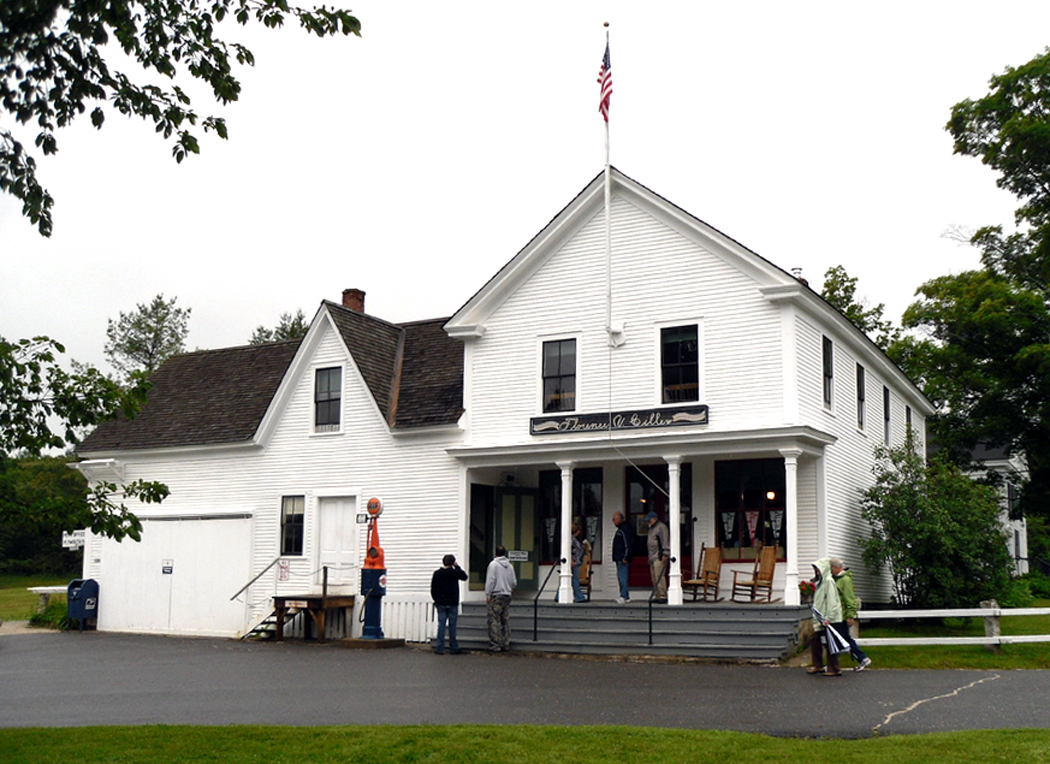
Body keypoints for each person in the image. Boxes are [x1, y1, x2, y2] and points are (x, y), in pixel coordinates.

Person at [830, 557, 872, 671]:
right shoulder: (837, 579)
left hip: (842, 615)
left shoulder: (845, 580)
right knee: (839, 639)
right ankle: (833, 664)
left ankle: (862, 658)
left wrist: (850, 615)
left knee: (844, 639)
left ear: (836, 567)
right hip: (838, 614)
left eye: (832, 568)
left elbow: (849, 598)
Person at [807, 557, 844, 677]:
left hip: (828, 618)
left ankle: (834, 668)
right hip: (820, 618)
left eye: (818, 569)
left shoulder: (828, 581)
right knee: (815, 639)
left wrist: (829, 617)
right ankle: (818, 665)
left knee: (831, 643)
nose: (817, 571)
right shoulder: (821, 582)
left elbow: (832, 601)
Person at [430, 553, 468, 655]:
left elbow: (433, 588)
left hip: (440, 602)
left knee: (441, 625)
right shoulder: (454, 573)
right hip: (452, 602)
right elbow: (464, 577)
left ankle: (439, 647)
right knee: (452, 626)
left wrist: (436, 599)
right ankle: (453, 647)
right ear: (452, 562)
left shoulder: (437, 573)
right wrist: (457, 566)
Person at [485, 545, 517, 652]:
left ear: (495, 553)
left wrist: (488, 594)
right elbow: (514, 582)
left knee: (494, 619)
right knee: (505, 619)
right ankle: (506, 642)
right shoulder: (510, 566)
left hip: (496, 595)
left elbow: (490, 581)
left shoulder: (493, 565)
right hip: (507, 595)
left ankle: (495, 644)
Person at [646, 511, 669, 602]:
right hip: (652, 556)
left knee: (659, 576)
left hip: (659, 555)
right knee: (654, 577)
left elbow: (665, 541)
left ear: (655, 519)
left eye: (650, 520)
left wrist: (665, 553)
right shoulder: (651, 529)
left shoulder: (661, 527)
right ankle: (657, 595)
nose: (648, 522)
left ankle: (663, 595)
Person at [612, 511, 634, 603]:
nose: (613, 521)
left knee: (622, 577)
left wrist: (626, 556)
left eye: (614, 519)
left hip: (622, 558)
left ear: (619, 519)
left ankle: (624, 596)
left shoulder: (624, 530)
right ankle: (625, 595)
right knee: (621, 576)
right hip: (619, 557)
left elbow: (627, 544)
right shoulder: (621, 530)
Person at [570, 521, 587, 603]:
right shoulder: (571, 539)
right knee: (574, 580)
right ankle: (579, 597)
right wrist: (571, 560)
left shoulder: (574, 539)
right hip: (574, 562)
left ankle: (558, 596)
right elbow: (568, 550)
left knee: (574, 579)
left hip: (577, 562)